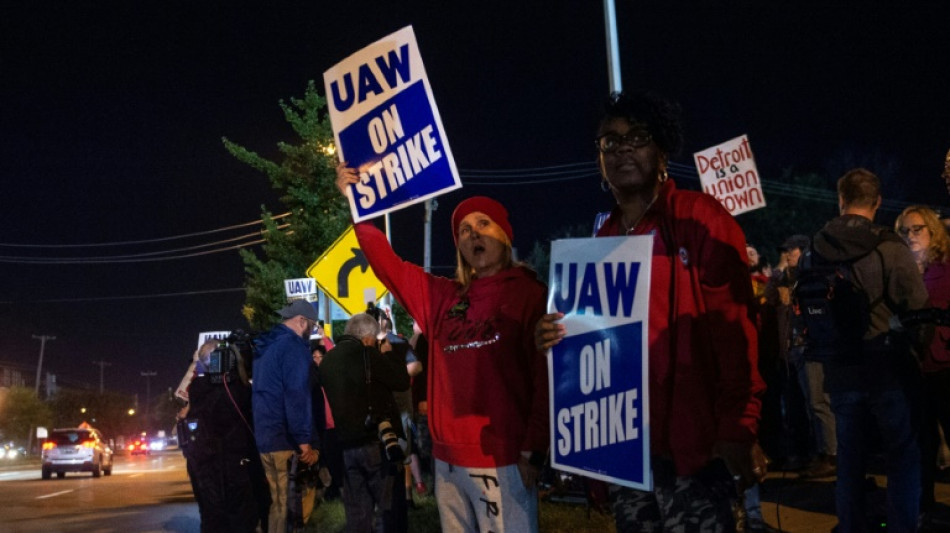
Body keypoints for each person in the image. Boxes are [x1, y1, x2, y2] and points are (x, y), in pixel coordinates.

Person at [535, 91, 766, 532]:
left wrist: (740, 422)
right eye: (609, 141)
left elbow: (734, 331)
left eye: (636, 137)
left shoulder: (700, 218)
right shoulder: (596, 244)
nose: (622, 148)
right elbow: (589, 350)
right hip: (625, 452)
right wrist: (550, 336)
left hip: (694, 450)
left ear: (661, 151)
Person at [334, 168, 550, 532]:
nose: (473, 233)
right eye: (464, 230)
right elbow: (389, 266)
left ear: (505, 235)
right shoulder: (443, 298)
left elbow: (543, 375)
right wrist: (359, 205)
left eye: (484, 223)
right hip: (447, 463)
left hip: (504, 460)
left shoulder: (530, 294)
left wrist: (533, 448)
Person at [813, 168, 929, 533]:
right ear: (877, 203)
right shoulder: (889, 247)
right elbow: (919, 310)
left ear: (840, 199)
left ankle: (850, 525)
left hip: (839, 370)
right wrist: (919, 350)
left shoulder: (817, 248)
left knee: (850, 458)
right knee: (901, 455)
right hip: (887, 367)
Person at [320, 312, 411, 533]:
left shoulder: (327, 360)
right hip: (376, 442)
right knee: (388, 508)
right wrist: (388, 355)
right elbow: (401, 381)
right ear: (368, 338)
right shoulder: (367, 355)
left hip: (345, 445)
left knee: (358, 513)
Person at [895, 205, 950, 520]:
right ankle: (925, 503)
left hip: (944, 365)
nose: (911, 235)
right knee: (921, 441)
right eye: (905, 230)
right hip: (913, 367)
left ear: (932, 231)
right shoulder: (900, 271)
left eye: (917, 229)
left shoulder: (946, 268)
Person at [186, 339, 270, 532]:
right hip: (235, 466)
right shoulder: (237, 389)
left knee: (211, 518)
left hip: (205, 469)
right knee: (242, 517)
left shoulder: (197, 388)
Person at [252, 299, 321, 533]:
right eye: (312, 325)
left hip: (264, 437)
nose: (312, 330)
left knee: (277, 504)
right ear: (302, 321)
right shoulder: (293, 347)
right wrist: (303, 440)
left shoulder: (265, 346)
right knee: (291, 507)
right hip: (285, 439)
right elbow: (296, 395)